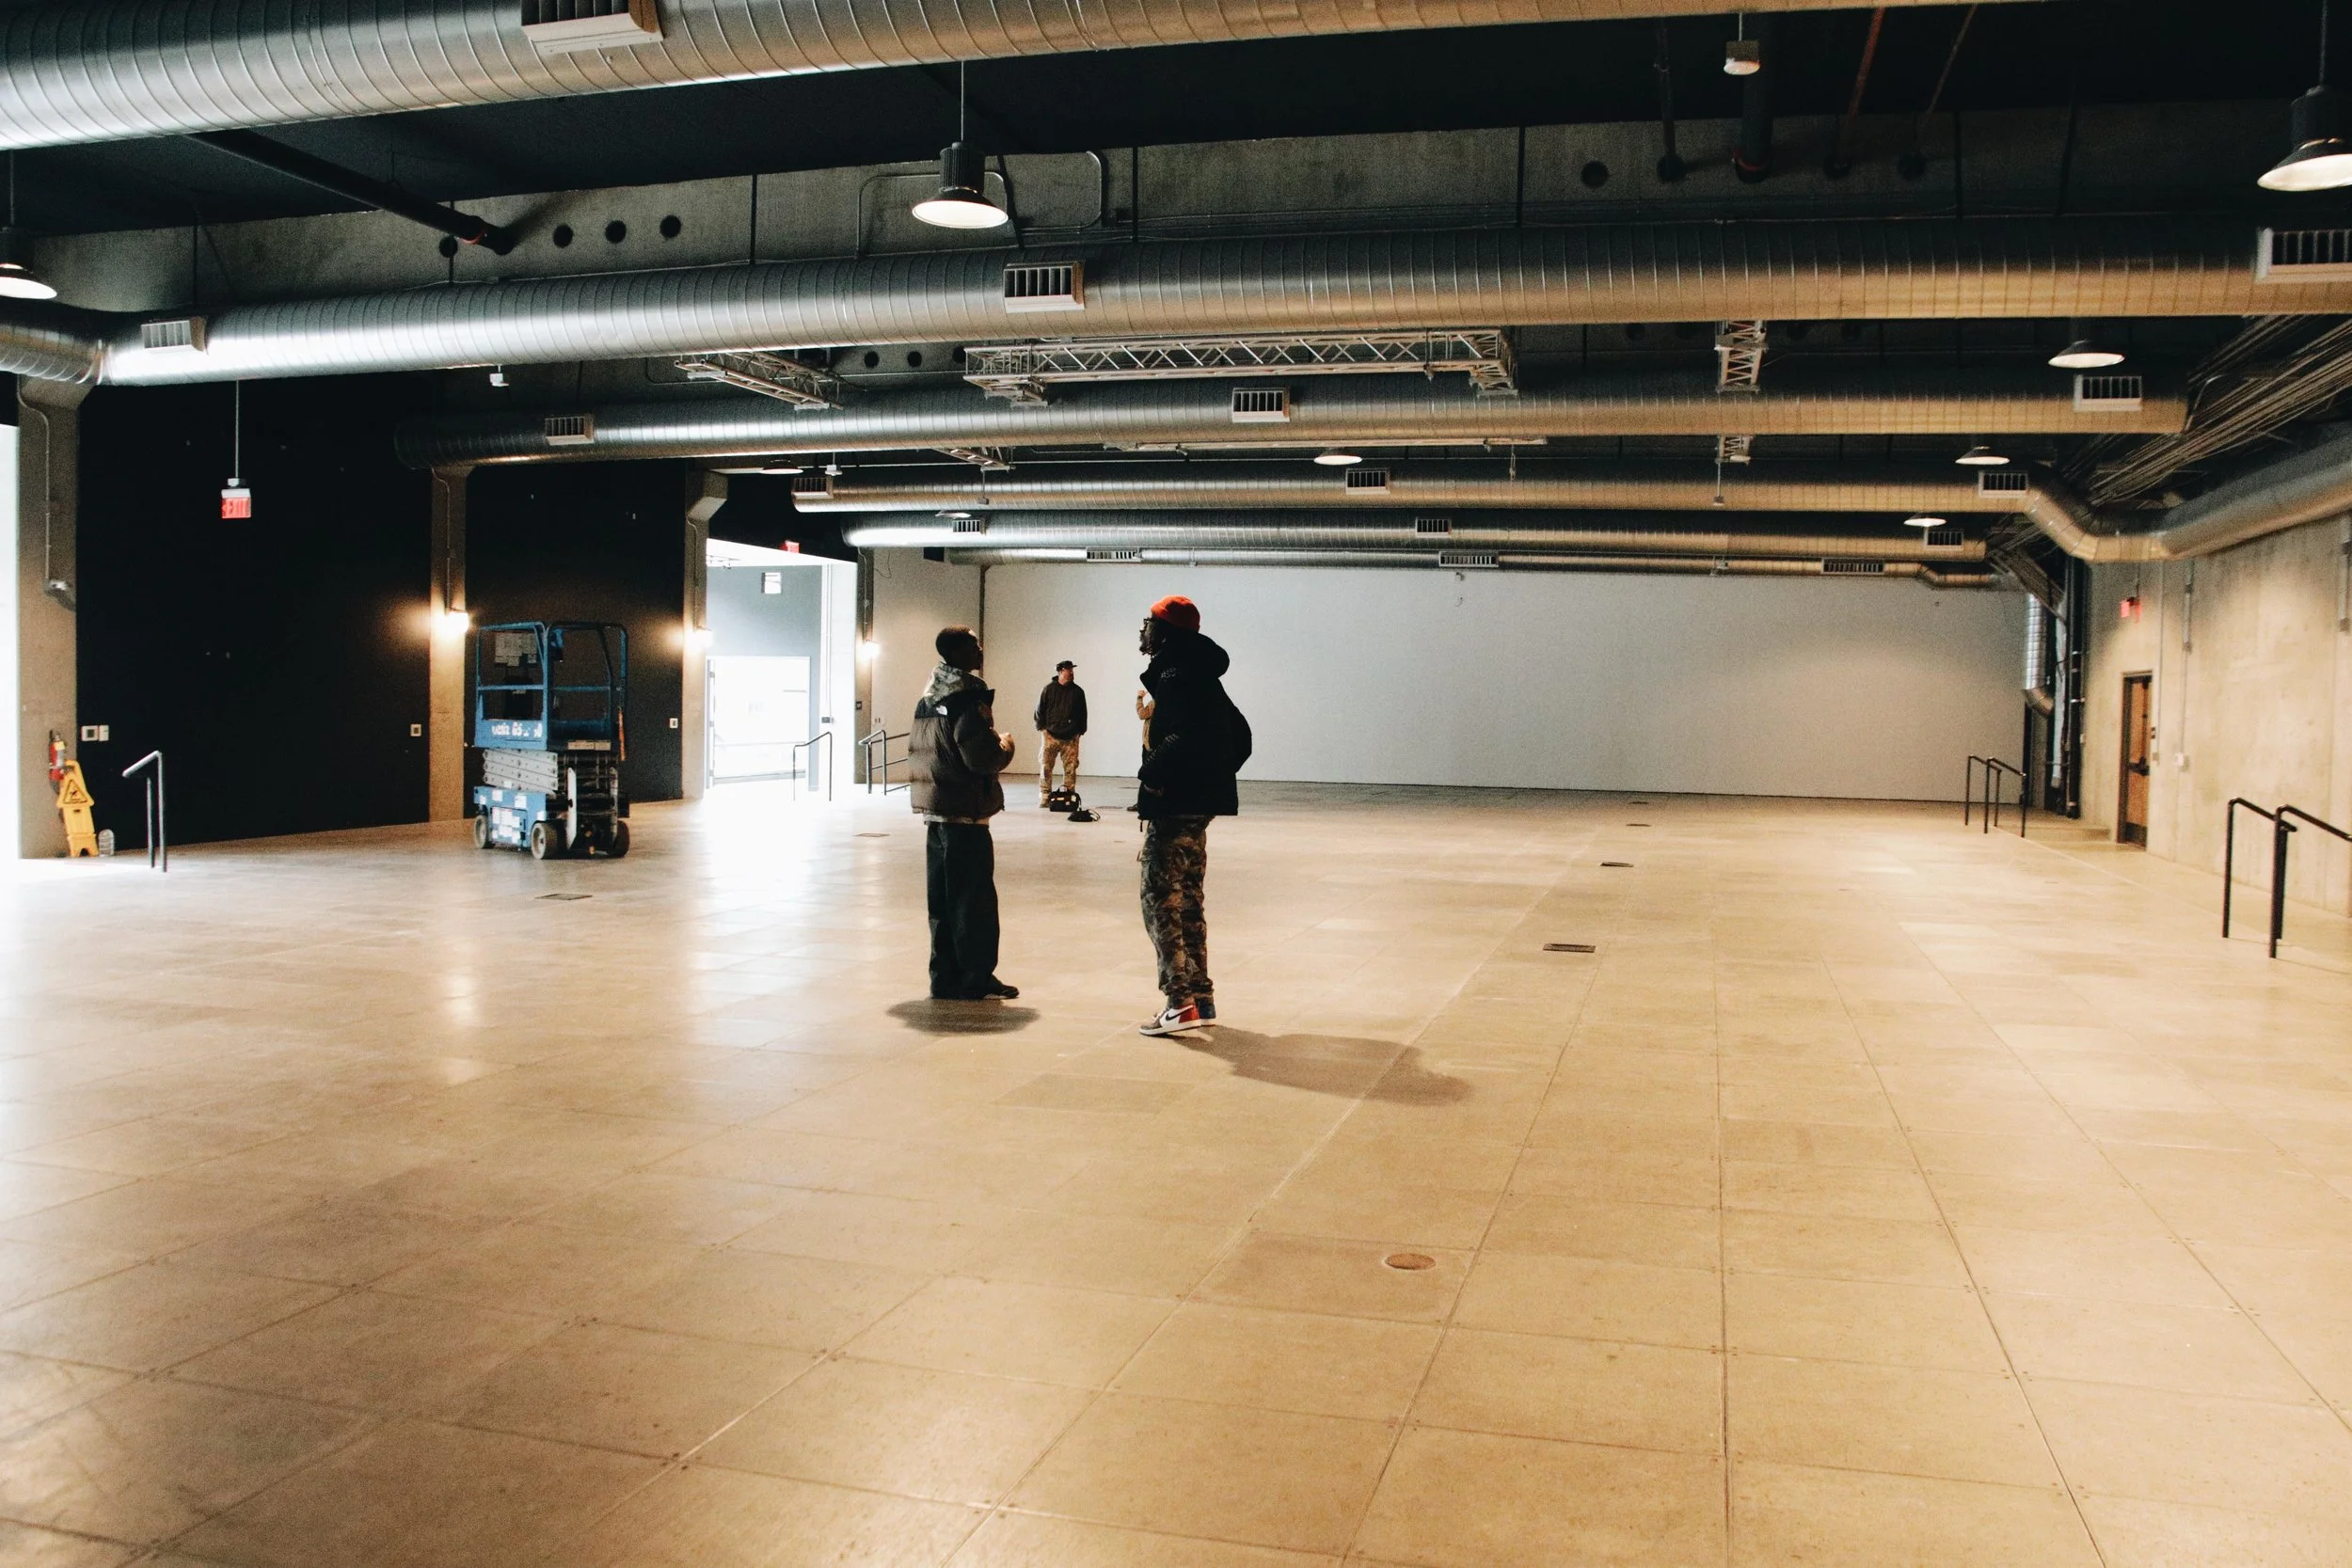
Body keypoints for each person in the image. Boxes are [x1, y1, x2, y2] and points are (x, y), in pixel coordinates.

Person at [1133, 595, 1249, 1037]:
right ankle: (1200, 997)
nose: (1143, 631)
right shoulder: (1202, 673)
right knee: (1189, 902)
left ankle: (1179, 1003)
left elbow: (1181, 735)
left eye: (1149, 623)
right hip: (1197, 805)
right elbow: (1241, 736)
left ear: (1166, 631)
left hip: (1175, 804)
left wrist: (1153, 773)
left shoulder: (1176, 673)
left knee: (1160, 903)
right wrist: (1211, 779)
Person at [907, 626, 1019, 1001]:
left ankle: (944, 977)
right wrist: (1005, 746)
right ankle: (975, 977)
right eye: (974, 645)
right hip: (966, 815)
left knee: (941, 901)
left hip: (935, 813)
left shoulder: (929, 697)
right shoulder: (966, 697)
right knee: (974, 900)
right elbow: (980, 757)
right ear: (956, 653)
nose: (980, 651)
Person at [1034, 659, 1089, 805]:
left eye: (1072, 670)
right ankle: (1045, 795)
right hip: (1050, 735)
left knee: (1071, 767)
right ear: (1060, 671)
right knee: (1046, 765)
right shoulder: (1048, 689)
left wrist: (1079, 732)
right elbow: (1039, 711)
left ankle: (1069, 795)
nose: (1071, 672)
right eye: (1068, 670)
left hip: (1070, 737)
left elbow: (1083, 714)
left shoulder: (1078, 692)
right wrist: (1043, 730)